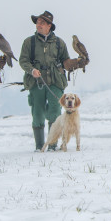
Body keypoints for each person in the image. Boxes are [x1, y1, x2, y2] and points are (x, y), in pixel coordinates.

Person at [19, 11, 88, 151]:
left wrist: (77, 62)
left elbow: (65, 62)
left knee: (55, 114)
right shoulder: (29, 42)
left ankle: (52, 145)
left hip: (55, 82)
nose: (38, 25)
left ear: (49, 26)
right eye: (37, 22)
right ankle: (39, 146)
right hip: (36, 82)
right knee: (37, 114)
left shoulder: (59, 43)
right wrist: (32, 70)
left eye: (42, 23)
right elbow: (23, 61)